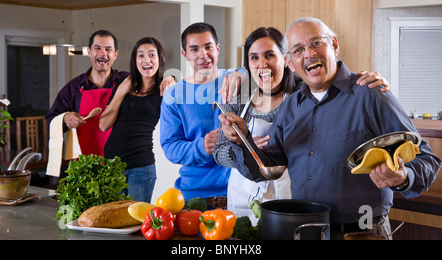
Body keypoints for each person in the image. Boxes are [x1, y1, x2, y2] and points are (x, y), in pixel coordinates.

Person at [219, 18, 441, 239]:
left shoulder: (371, 93)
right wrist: (242, 139)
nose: (308, 54)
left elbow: (427, 160)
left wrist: (403, 177)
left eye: (316, 43)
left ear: (334, 45)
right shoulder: (290, 107)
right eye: (298, 50)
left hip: (363, 232)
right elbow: (266, 168)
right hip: (306, 232)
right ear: (290, 63)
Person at [214, 26, 391, 224]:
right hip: (248, 196)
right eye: (253, 57)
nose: (262, 64)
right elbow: (222, 151)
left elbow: (323, 71)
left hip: (306, 207)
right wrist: (247, 146)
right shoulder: (240, 95)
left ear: (285, 60)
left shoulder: (304, 93)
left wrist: (363, 80)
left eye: (270, 55)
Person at [46, 30, 174, 158]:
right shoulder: (73, 87)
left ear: (115, 54)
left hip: (121, 160)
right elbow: (51, 119)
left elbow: (151, 79)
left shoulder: (127, 81)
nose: (103, 53)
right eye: (97, 48)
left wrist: (169, 76)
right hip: (84, 160)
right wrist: (66, 118)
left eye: (108, 49)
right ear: (89, 52)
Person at [160, 22, 246, 208]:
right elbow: (170, 146)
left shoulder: (236, 80)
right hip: (194, 199)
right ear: (185, 54)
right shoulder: (173, 95)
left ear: (217, 48)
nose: (203, 55)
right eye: (194, 49)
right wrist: (201, 147)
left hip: (239, 194)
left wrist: (241, 72)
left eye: (208, 47)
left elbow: (267, 72)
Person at [99, 37, 165, 203]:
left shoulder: (164, 88)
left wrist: (171, 77)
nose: (146, 60)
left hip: (141, 167)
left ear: (159, 59)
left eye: (152, 55)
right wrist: (121, 92)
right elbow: (103, 124)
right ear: (135, 61)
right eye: (141, 55)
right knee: (112, 220)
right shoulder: (124, 84)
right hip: (112, 165)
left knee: (135, 223)